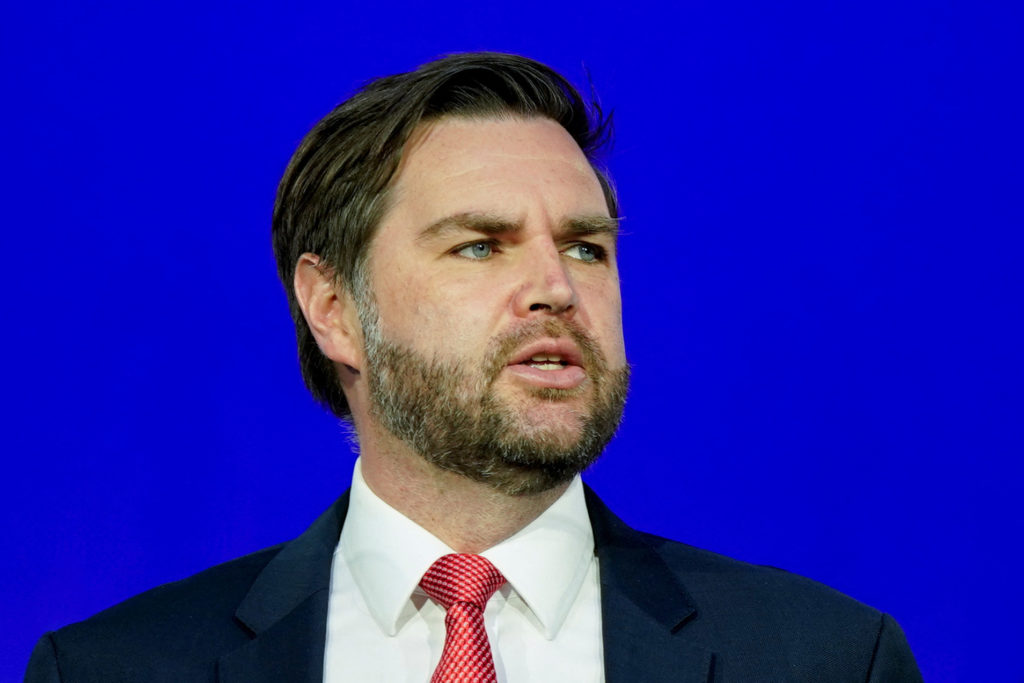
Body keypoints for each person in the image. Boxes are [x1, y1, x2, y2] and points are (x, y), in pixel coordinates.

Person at [25, 52, 923, 682]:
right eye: (480, 247)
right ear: (333, 309)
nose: (553, 289)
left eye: (584, 247)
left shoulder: (830, 659)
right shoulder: (115, 667)